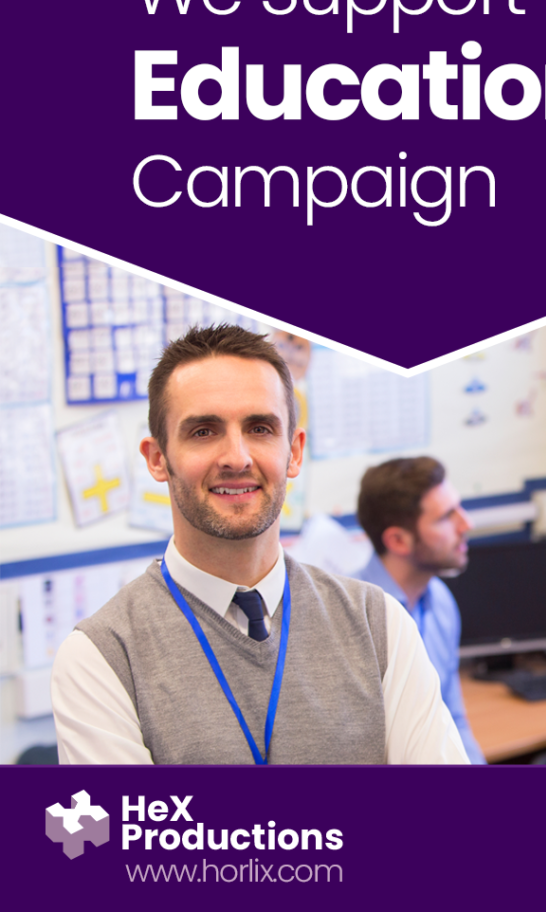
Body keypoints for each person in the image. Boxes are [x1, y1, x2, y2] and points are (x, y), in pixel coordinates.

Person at [50, 325, 468, 765]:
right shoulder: (101, 657)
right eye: (203, 431)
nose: (236, 457)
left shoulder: (379, 625)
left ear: (294, 452)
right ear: (157, 458)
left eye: (260, 428)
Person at [352, 458, 486, 764]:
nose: (466, 525)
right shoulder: (349, 616)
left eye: (459, 509)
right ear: (398, 540)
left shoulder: (440, 602)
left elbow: (452, 720)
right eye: (446, 518)